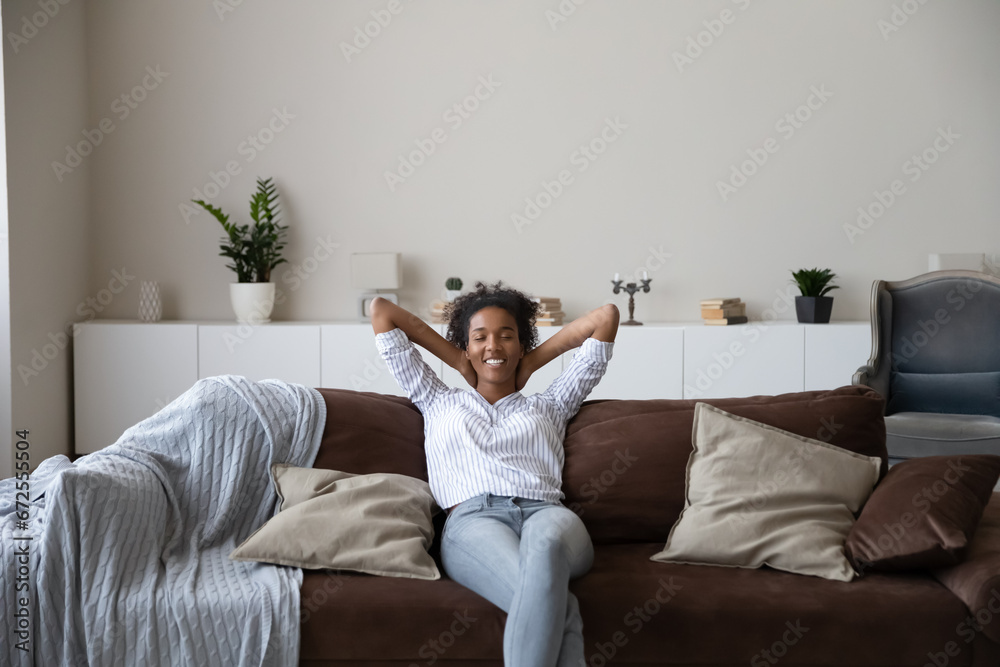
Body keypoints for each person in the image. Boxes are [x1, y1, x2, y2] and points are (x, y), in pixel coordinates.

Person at [369, 281, 619, 667]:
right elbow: (382, 311)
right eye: (480, 337)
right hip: (474, 521)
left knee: (547, 547)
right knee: (557, 602)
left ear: (521, 345)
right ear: (466, 346)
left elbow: (606, 318)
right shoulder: (435, 399)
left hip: (547, 515)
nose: (493, 347)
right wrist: (454, 359)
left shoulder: (552, 404)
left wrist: (533, 362)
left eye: (507, 337)